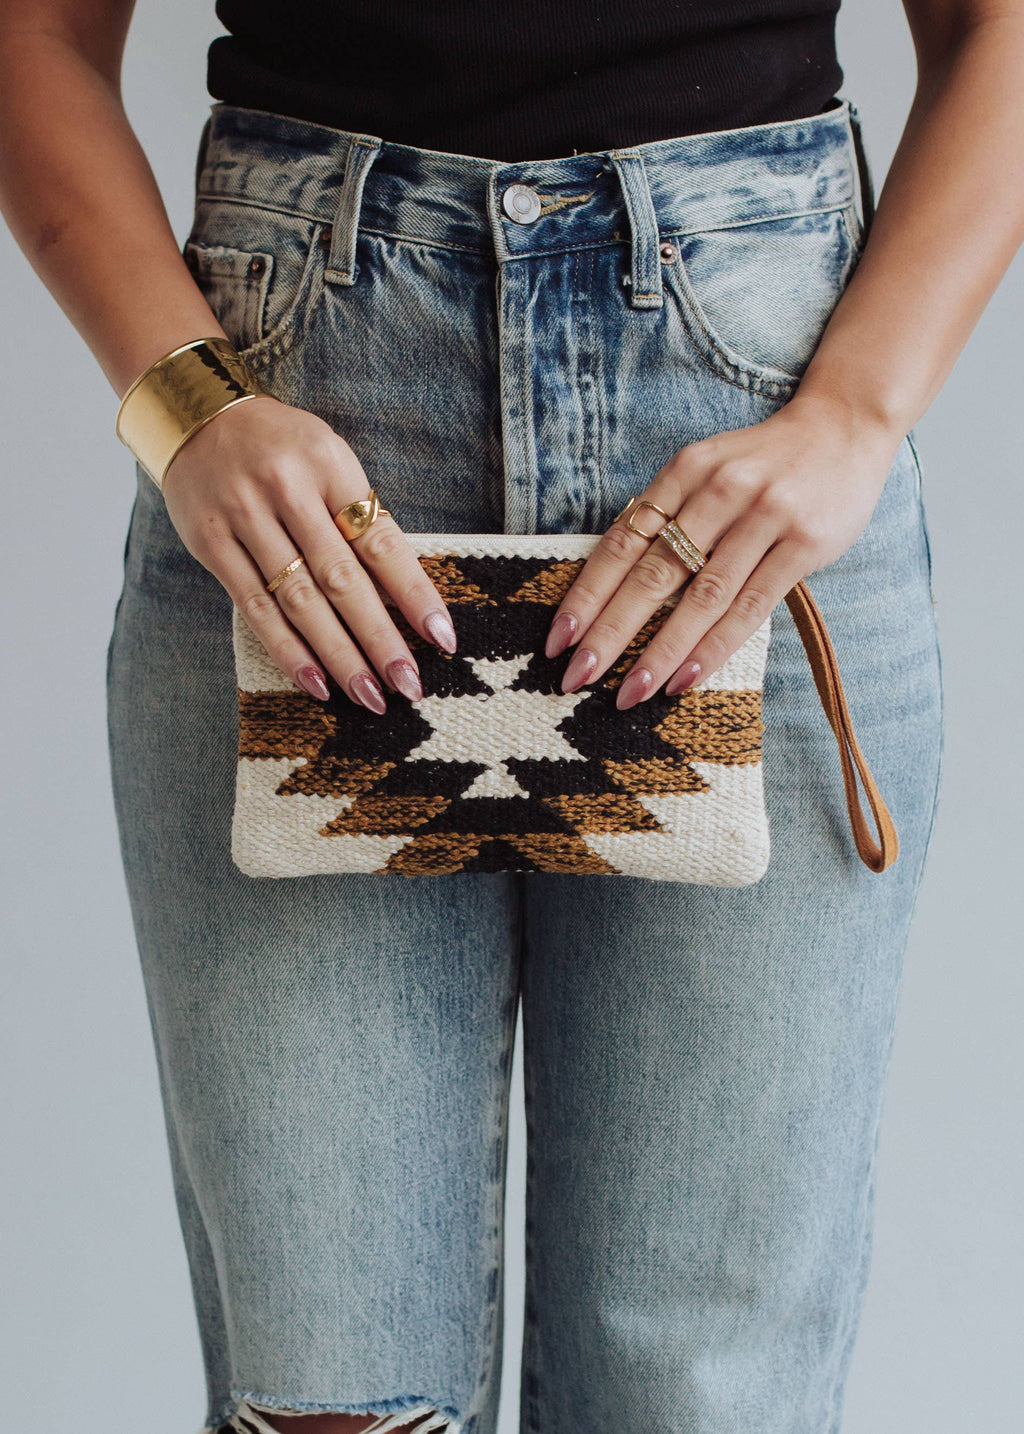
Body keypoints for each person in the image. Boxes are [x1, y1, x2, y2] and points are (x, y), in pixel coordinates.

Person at [1, 1, 1019, 1431]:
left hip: (736, 448)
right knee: (329, 1403)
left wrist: (853, 412)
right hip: (314, 456)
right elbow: (32, 35)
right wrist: (188, 403)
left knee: (699, 1401)